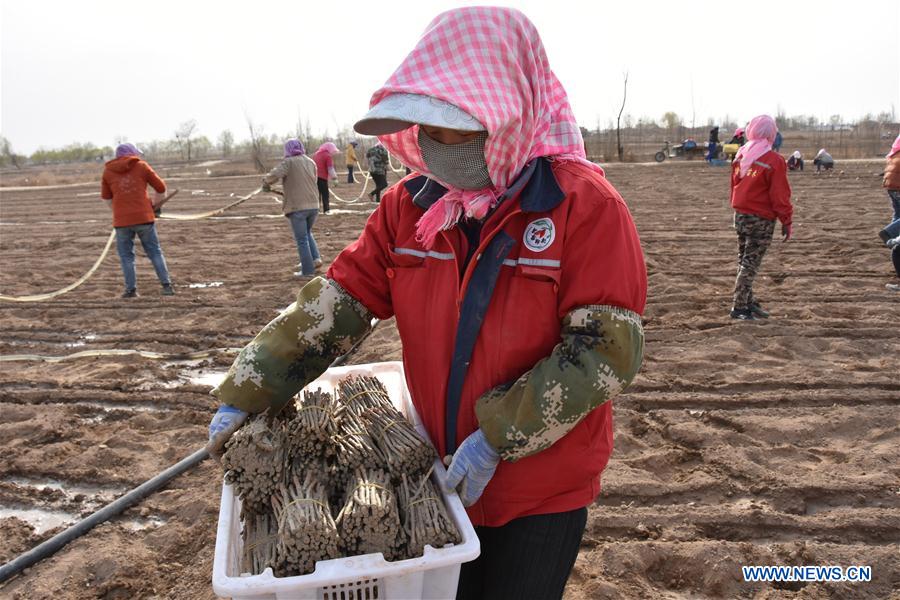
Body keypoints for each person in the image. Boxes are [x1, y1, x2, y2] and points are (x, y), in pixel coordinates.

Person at [206, 8, 646, 599]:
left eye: (458, 131)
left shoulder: (582, 208)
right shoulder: (410, 207)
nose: (439, 150)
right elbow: (338, 301)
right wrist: (250, 386)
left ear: (509, 114)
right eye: (429, 131)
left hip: (541, 491)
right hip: (440, 479)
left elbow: (606, 354)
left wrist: (498, 437)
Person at [728, 115, 793, 320]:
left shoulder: (740, 156)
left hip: (741, 215)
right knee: (751, 263)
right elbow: (779, 194)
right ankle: (739, 307)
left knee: (744, 259)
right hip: (761, 219)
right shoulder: (773, 160)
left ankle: (747, 301)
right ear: (771, 134)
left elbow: (734, 186)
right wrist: (786, 220)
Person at [100, 143, 174, 298]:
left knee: (126, 256)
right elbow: (161, 188)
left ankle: (130, 290)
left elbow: (107, 198)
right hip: (144, 218)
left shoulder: (108, 171)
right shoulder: (141, 166)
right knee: (154, 252)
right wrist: (156, 207)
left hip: (122, 222)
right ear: (132, 153)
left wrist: (119, 212)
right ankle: (167, 286)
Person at [262, 139, 323, 277]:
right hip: (313, 205)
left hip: (298, 207)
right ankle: (315, 259)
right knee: (307, 233)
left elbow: (275, 174)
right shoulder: (310, 162)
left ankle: (307, 271)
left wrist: (265, 182)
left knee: (301, 239)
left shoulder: (289, 162)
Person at [878, 135, 900, 245]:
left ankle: (892, 239)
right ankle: (888, 233)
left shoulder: (894, 153)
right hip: (898, 186)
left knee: (898, 214)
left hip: (890, 186)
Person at [313, 142, 340, 214]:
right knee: (325, 194)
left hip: (314, 177)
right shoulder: (327, 156)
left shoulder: (316, 154)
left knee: (317, 194)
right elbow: (330, 168)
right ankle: (326, 209)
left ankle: (316, 209)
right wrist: (334, 178)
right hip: (322, 178)